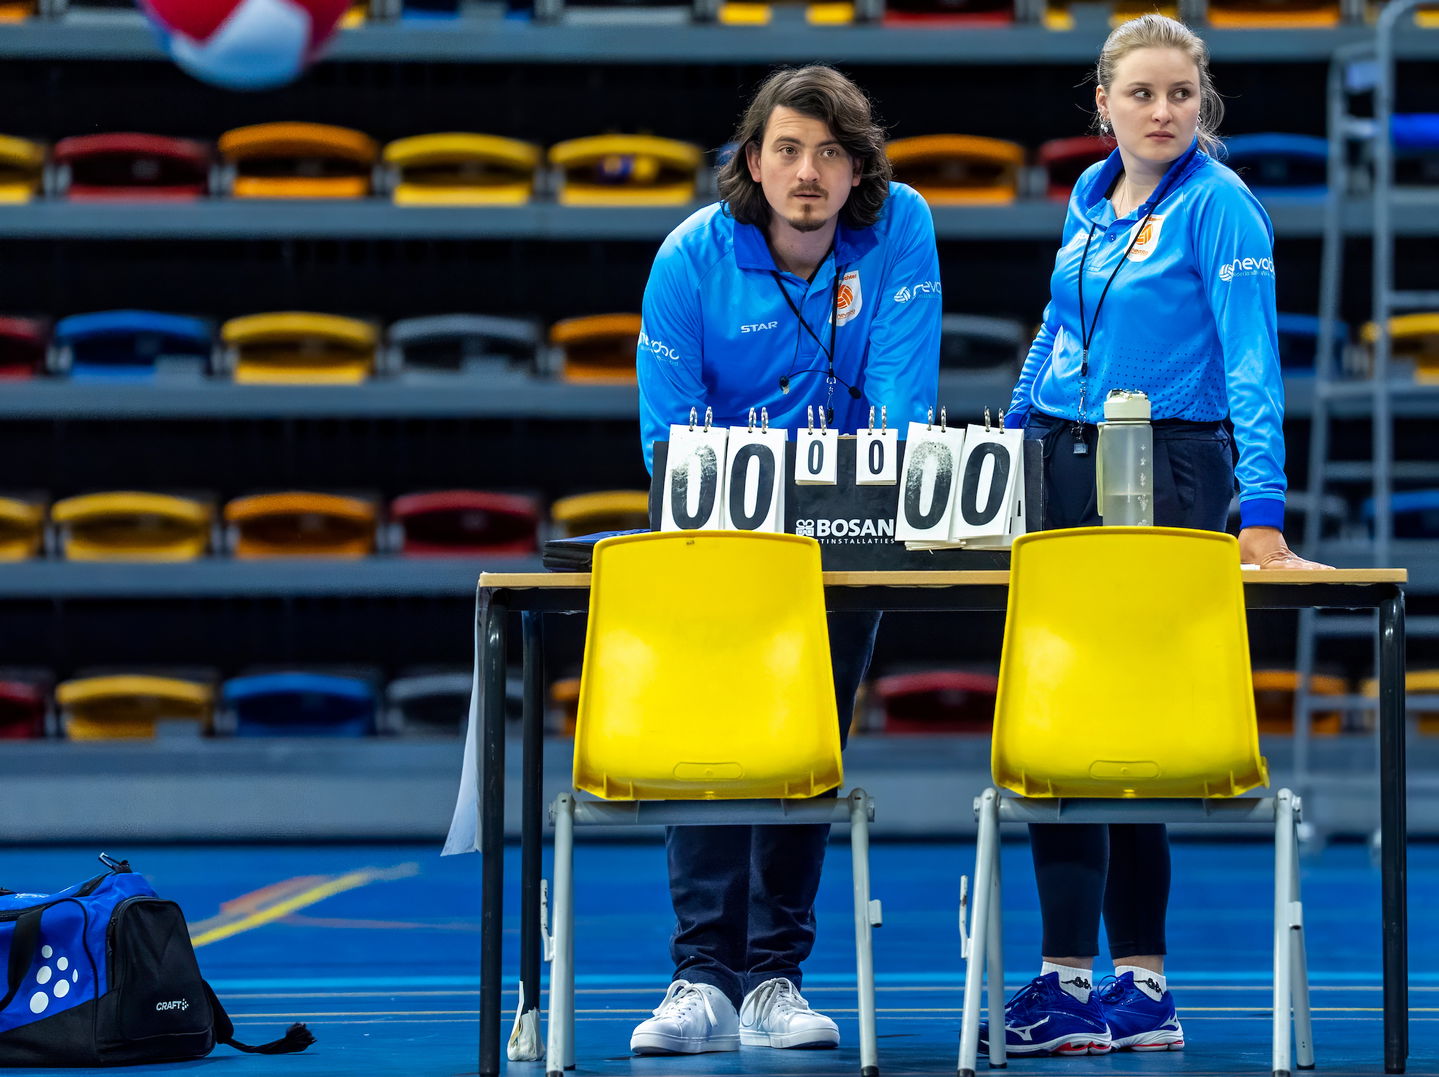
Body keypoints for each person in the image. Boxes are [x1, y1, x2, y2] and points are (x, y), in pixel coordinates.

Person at [988, 12, 1331, 1060]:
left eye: (1178, 94)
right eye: (1139, 94)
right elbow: (1057, 330)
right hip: (1059, 460)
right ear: (1101, 103)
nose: (1160, 111)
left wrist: (1261, 517)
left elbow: (1250, 368)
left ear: (1202, 101)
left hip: (1167, 467)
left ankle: (1125, 981)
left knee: (1122, 726)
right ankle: (1078, 983)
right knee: (1065, 713)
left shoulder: (1221, 209)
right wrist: (1002, 450)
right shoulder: (1090, 202)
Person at [633, 64, 942, 1055]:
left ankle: (772, 978)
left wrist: (859, 506)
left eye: (829, 152)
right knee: (713, 748)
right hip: (718, 541)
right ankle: (698, 982)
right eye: (787, 149)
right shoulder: (689, 256)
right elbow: (667, 437)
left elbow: (900, 391)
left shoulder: (898, 231)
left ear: (857, 169)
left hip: (842, 538)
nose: (807, 172)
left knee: (806, 744)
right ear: (751, 162)